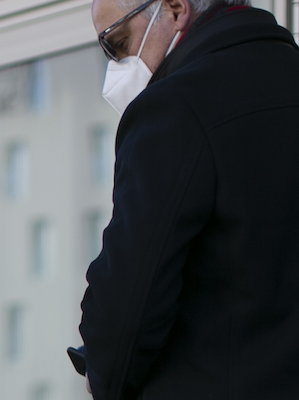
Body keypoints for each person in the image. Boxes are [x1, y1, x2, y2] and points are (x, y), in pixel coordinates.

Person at [79, 0, 299, 397]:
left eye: (118, 43)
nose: (116, 66)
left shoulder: (173, 108)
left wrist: (102, 371)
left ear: (176, 9)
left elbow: (125, 313)